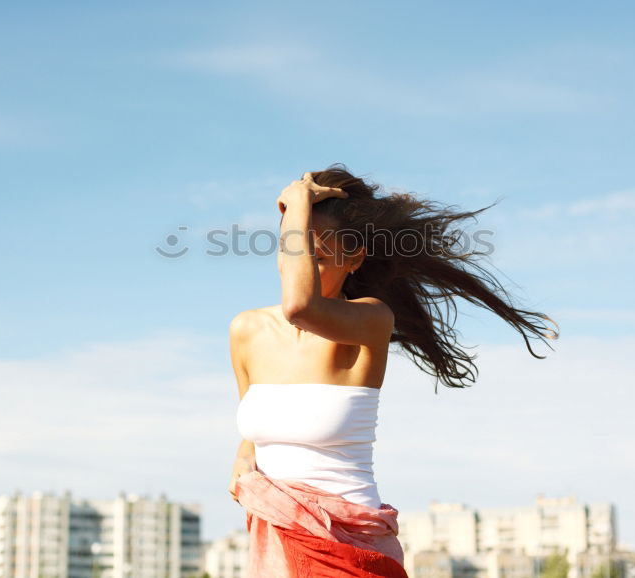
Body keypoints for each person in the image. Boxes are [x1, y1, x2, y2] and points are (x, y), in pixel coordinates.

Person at [227, 164, 559, 577]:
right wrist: (244, 465)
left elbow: (300, 306)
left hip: (351, 548)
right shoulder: (247, 330)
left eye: (319, 255)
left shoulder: (371, 320)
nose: (300, 266)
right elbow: (252, 433)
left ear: (354, 259)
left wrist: (296, 201)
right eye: (293, 249)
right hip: (276, 543)